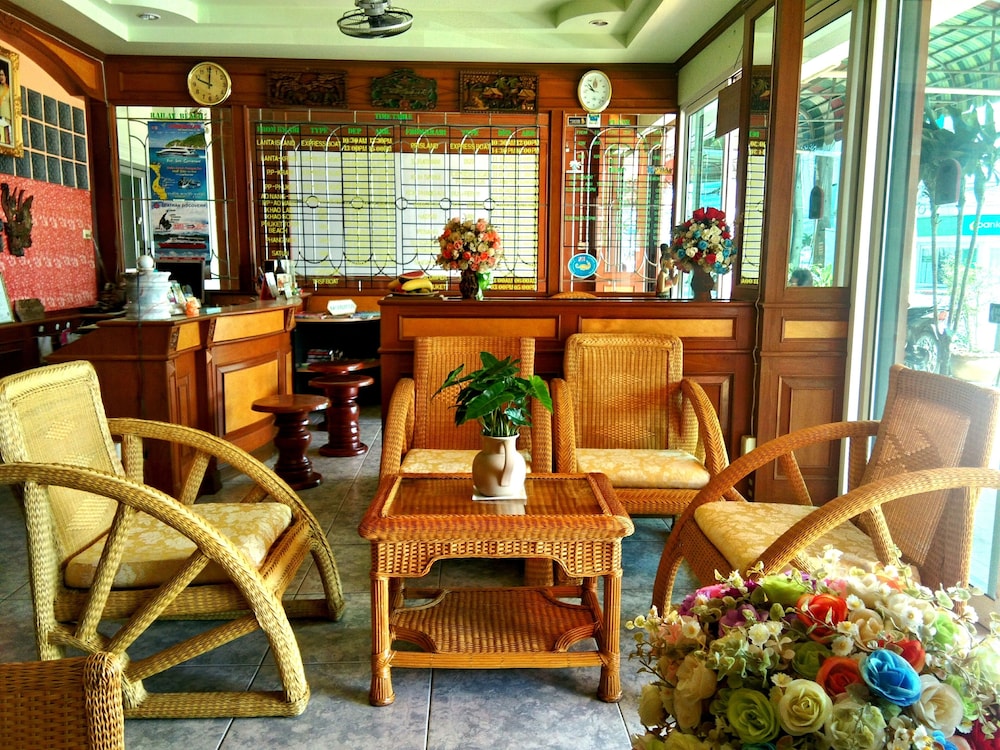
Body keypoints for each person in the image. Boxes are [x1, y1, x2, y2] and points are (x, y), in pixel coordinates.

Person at [0, 63, 12, 146]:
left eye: (2, 75)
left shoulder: (10, 89)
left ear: (6, 76)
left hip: (7, 118)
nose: (1, 77)